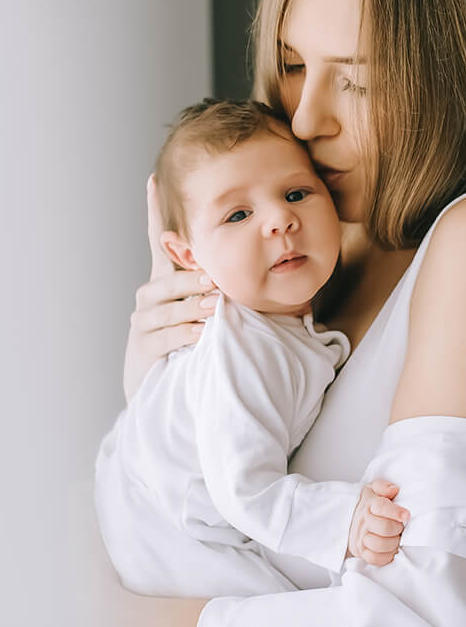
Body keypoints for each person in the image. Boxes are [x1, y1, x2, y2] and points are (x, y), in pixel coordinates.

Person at [120, 0, 466, 625]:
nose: (305, 120)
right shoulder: (316, 254)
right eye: (293, 64)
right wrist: (162, 391)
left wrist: (136, 613)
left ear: (465, 75)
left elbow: (433, 613)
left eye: (357, 81)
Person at [94, 98, 411, 598]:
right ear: (186, 254)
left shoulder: (283, 328)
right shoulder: (240, 348)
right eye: (238, 214)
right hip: (160, 525)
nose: (280, 220)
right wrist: (346, 519)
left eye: (296, 193)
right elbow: (246, 490)